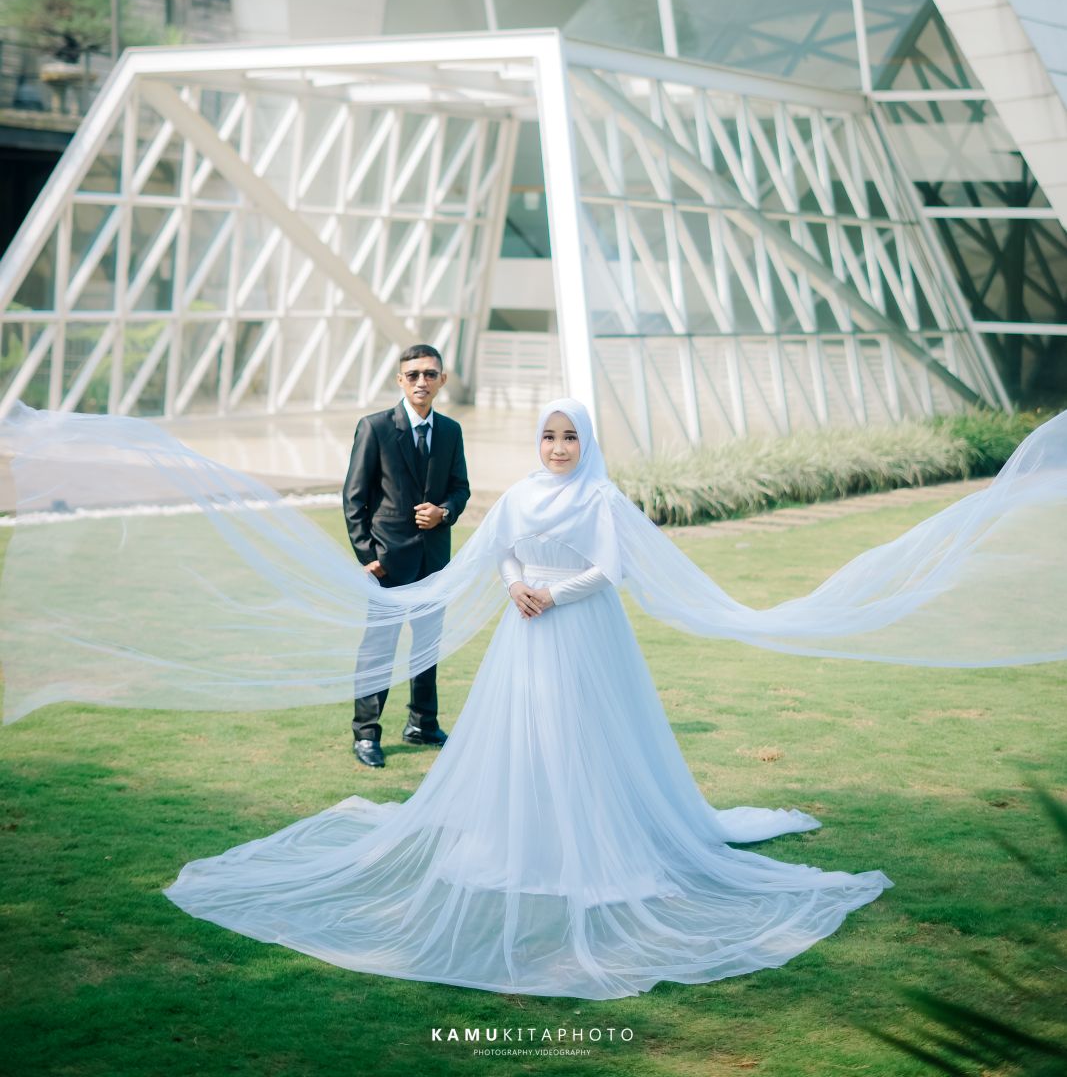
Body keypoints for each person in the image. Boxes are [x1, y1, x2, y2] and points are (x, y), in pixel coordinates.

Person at [1, 396, 1064, 999]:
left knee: (586, 739)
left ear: (586, 443)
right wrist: (512, 580)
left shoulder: (599, 495)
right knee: (519, 743)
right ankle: (515, 837)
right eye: (548, 437)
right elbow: (500, 546)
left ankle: (601, 844)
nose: (557, 448)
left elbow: (610, 568)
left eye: (567, 436)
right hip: (523, 627)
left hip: (579, 629)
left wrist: (552, 590)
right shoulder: (518, 493)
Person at [342, 343, 470, 767]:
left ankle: (422, 724)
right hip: (388, 563)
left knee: (427, 647)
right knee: (378, 649)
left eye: (430, 374)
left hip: (434, 562)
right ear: (400, 380)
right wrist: (368, 555)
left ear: (442, 380)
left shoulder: (450, 431)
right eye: (413, 374)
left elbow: (460, 488)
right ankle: (365, 733)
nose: (421, 381)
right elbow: (354, 499)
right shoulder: (375, 428)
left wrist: (444, 512)